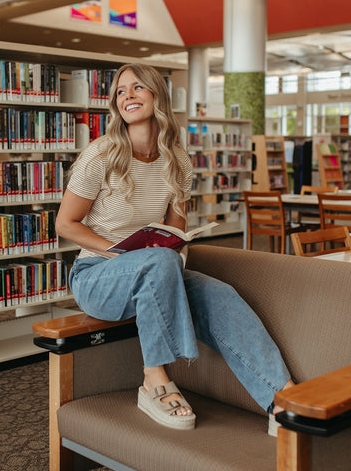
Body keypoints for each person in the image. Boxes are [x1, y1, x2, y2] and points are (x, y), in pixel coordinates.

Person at [55, 62, 294, 434]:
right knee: (158, 261)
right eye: (120, 91)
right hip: (98, 276)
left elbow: (174, 231)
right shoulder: (100, 155)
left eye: (137, 88)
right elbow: (65, 224)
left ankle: (283, 399)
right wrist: (120, 253)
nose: (128, 96)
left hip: (158, 269)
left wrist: (173, 249)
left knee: (221, 294)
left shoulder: (178, 161)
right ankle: (155, 379)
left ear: (157, 95)